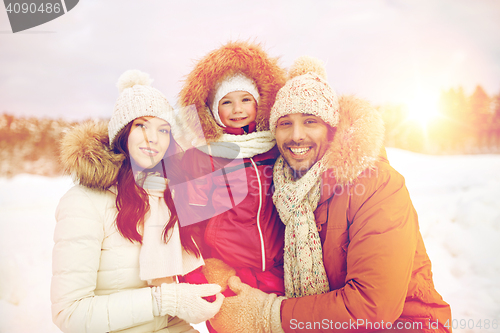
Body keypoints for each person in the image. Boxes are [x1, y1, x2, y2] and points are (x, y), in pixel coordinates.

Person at [209, 57, 452, 333]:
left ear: (330, 127)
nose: (296, 136)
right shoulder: (284, 188)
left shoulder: (377, 184)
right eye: (285, 123)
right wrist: (219, 272)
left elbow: (373, 307)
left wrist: (268, 315)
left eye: (310, 121)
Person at [51, 70, 224, 333]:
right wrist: (166, 300)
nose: (152, 138)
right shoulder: (83, 202)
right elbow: (70, 314)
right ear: (122, 134)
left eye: (163, 129)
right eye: (141, 125)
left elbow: (168, 315)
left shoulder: (167, 197)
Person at [176, 41, 287, 330]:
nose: (237, 109)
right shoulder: (204, 156)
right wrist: (201, 280)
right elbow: (189, 226)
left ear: (259, 102)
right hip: (228, 278)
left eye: (245, 99)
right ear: (213, 110)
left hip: (281, 276)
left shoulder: (275, 149)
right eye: (227, 102)